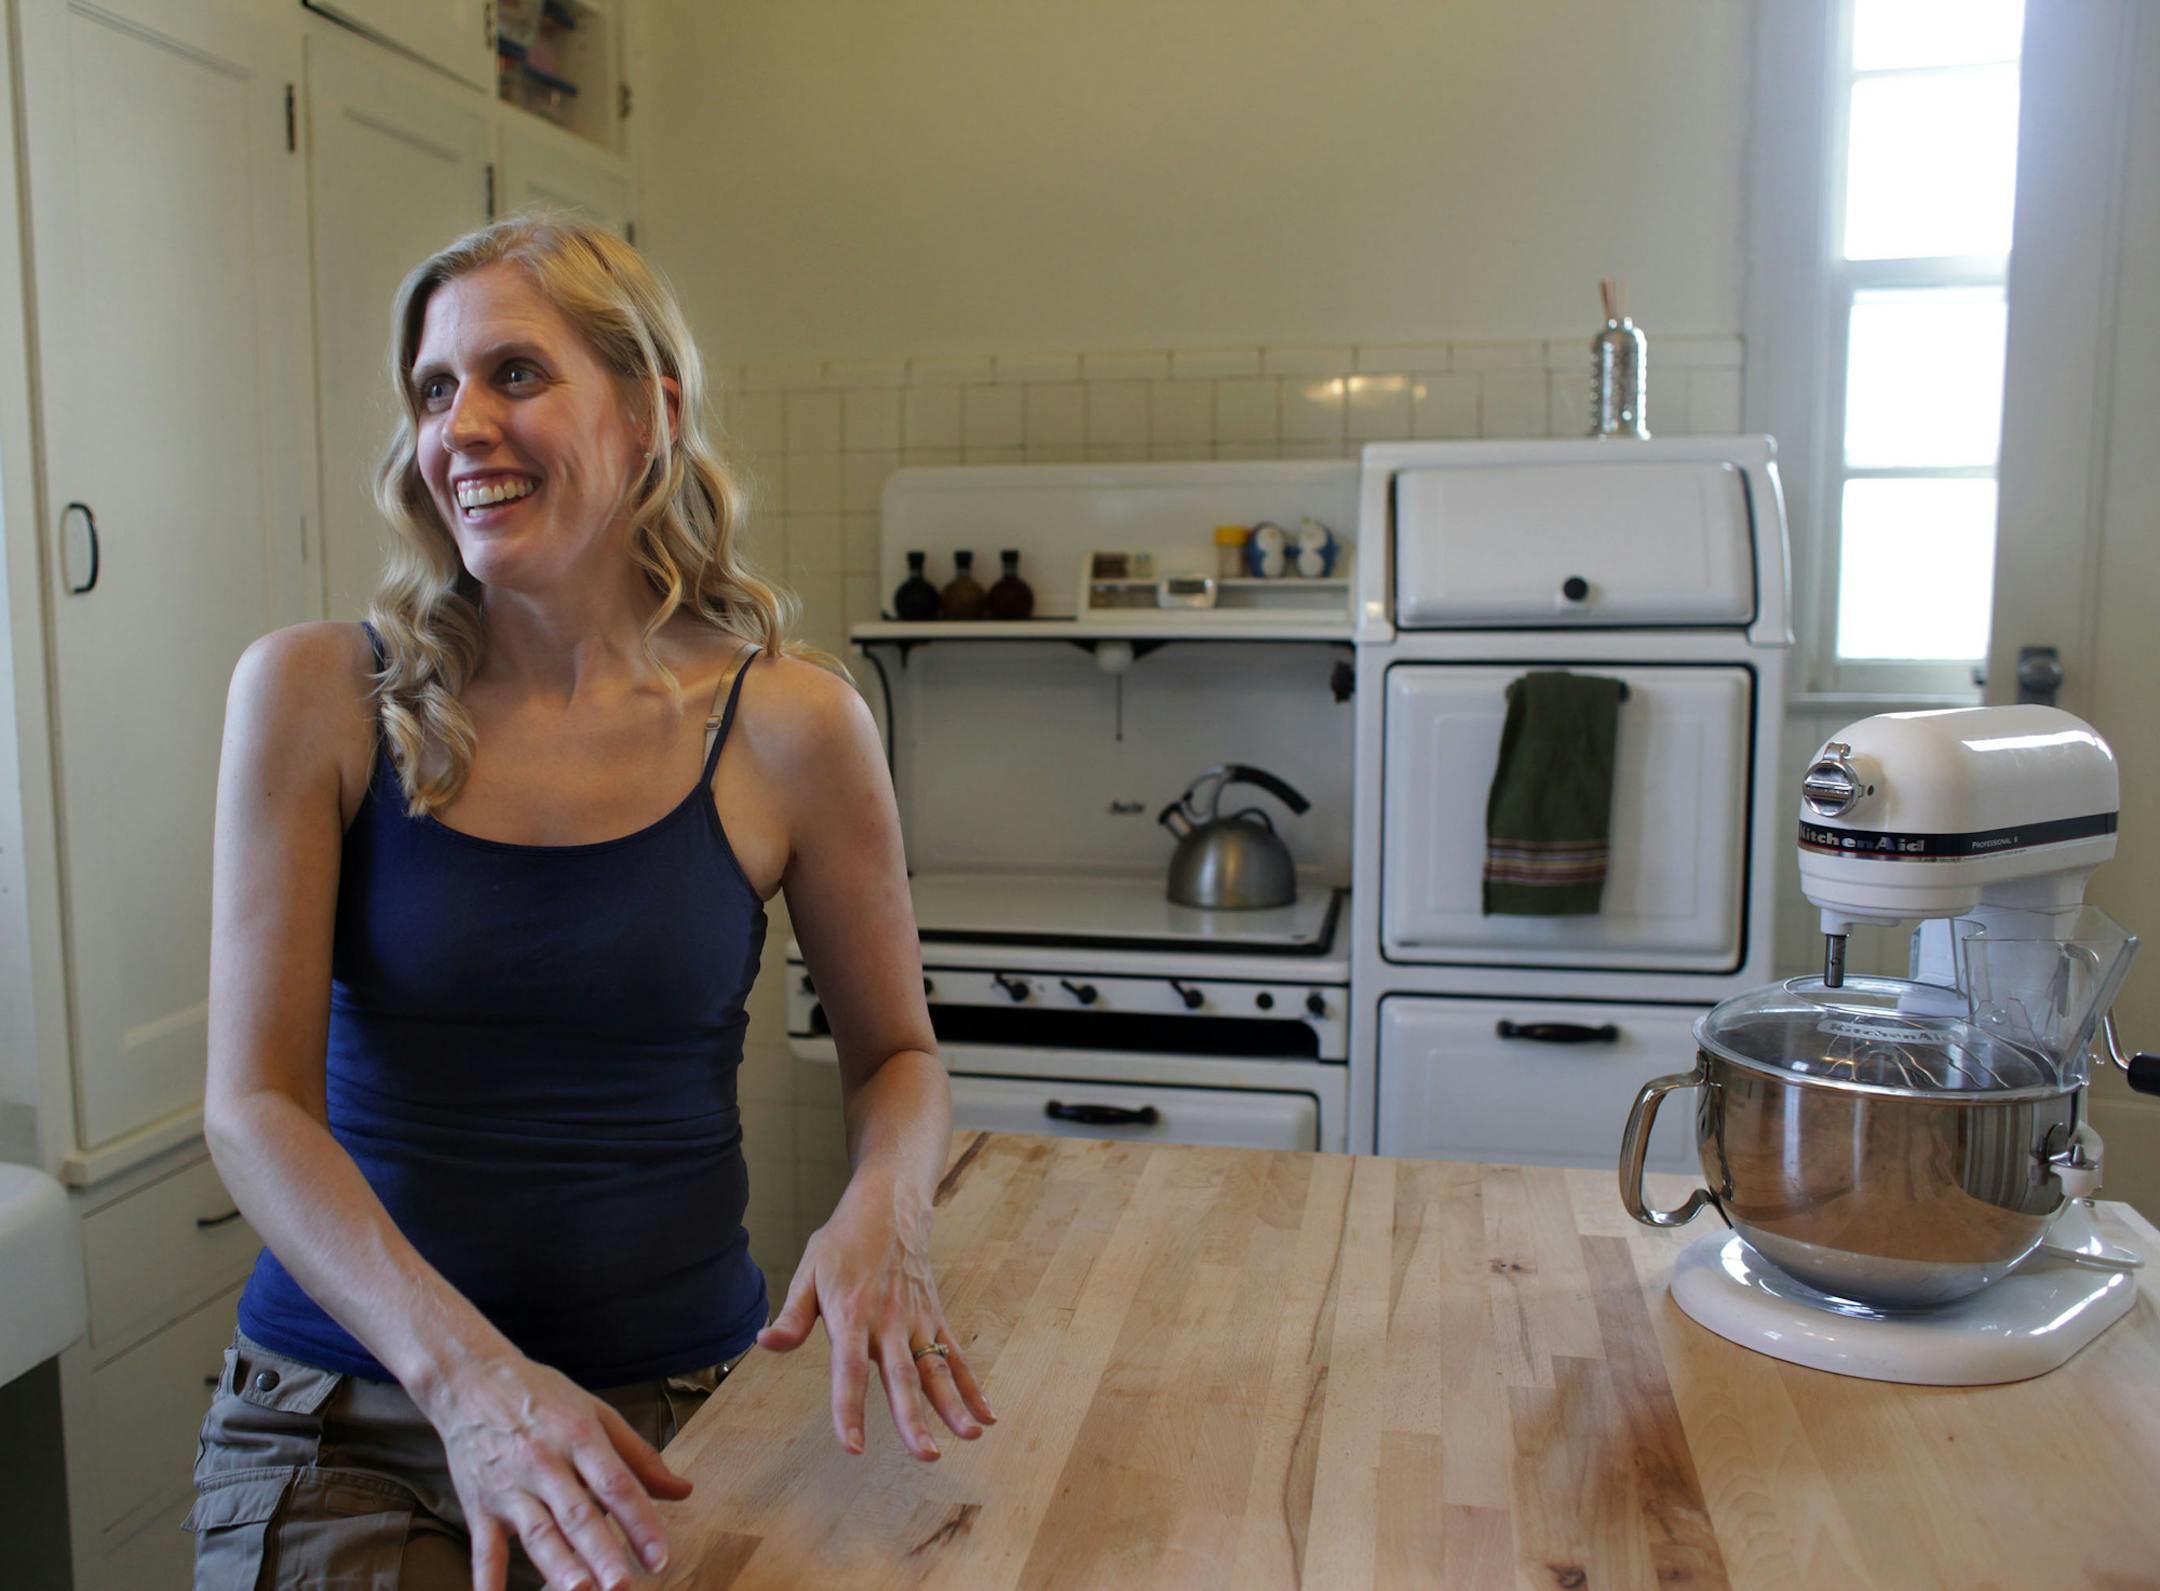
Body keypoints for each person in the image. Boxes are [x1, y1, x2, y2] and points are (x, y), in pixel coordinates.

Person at [187, 214, 992, 1591]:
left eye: (514, 374)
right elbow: (252, 1107)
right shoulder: (318, 695)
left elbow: (900, 1058)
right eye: (435, 391)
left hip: (682, 1416)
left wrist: (885, 1211)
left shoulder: (792, 724)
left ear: (650, 409)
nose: (461, 428)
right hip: (353, 1424)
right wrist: (476, 1388)